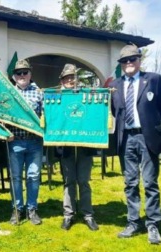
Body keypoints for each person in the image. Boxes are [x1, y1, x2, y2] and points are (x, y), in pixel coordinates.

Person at [109, 44, 161, 244]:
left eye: (132, 59)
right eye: (124, 61)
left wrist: (150, 125)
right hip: (126, 138)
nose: (128, 63)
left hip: (147, 136)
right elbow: (113, 111)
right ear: (121, 64)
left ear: (139, 60)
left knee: (150, 182)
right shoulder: (114, 85)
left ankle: (152, 224)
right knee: (130, 183)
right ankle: (133, 222)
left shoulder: (153, 79)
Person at [57, 64, 98, 231]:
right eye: (67, 78)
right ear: (62, 80)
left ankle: (88, 214)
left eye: (72, 77)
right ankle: (69, 214)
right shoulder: (56, 97)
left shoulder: (86, 95)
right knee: (69, 181)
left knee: (83, 180)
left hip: (84, 145)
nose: (70, 81)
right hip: (65, 145)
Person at [7, 59, 44, 225]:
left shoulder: (39, 93)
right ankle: (17, 209)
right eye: (18, 73)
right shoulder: (7, 93)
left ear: (30, 74)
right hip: (15, 142)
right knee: (15, 178)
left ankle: (32, 208)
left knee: (33, 177)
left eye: (25, 72)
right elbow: (2, 117)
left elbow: (45, 117)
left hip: (35, 142)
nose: (22, 75)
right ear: (14, 76)